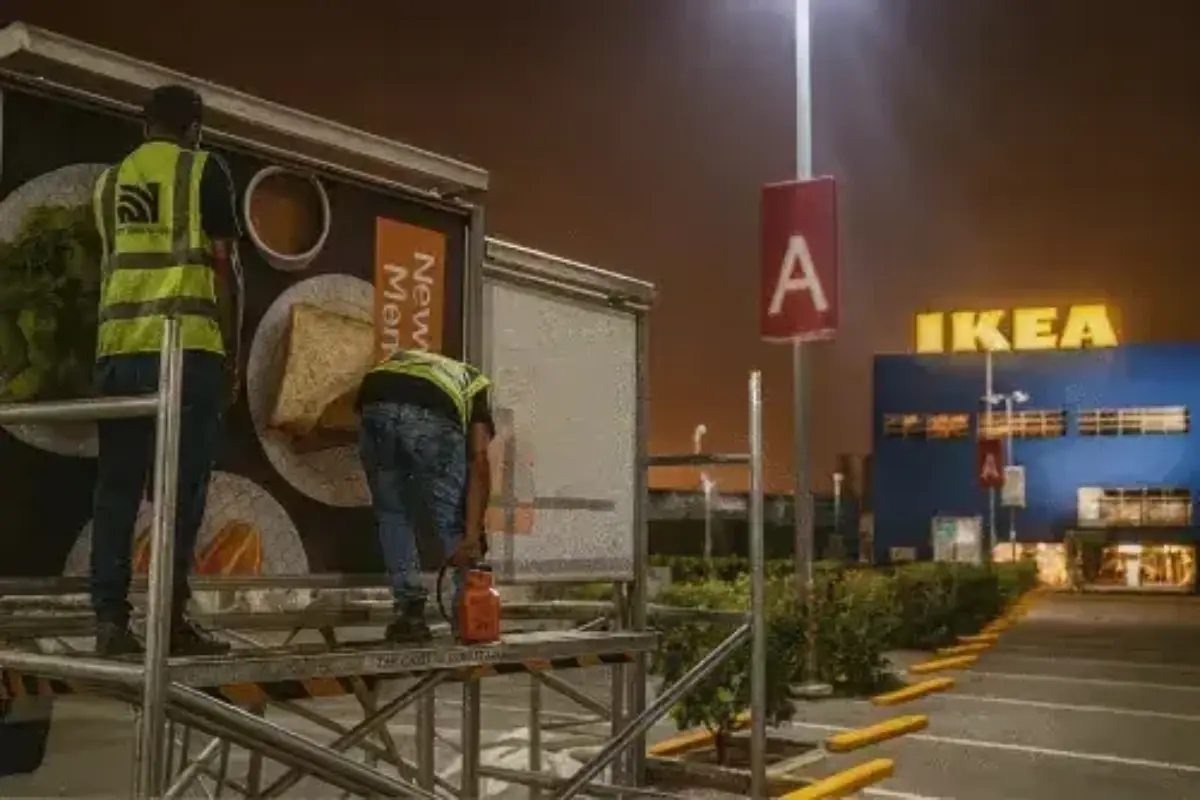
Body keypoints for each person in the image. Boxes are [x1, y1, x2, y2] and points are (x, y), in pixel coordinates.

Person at [89, 84, 242, 657]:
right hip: (186, 351)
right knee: (180, 492)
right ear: (195, 128)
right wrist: (231, 352)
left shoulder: (109, 185)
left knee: (116, 489)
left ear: (144, 125)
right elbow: (224, 267)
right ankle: (169, 621)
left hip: (117, 350)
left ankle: (109, 622)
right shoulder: (204, 170)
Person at [356, 349, 495, 642]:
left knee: (393, 513)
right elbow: (479, 459)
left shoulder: (410, 361)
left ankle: (409, 615)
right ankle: (469, 613)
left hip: (375, 399)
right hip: (431, 412)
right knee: (451, 518)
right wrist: (472, 532)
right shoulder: (477, 384)